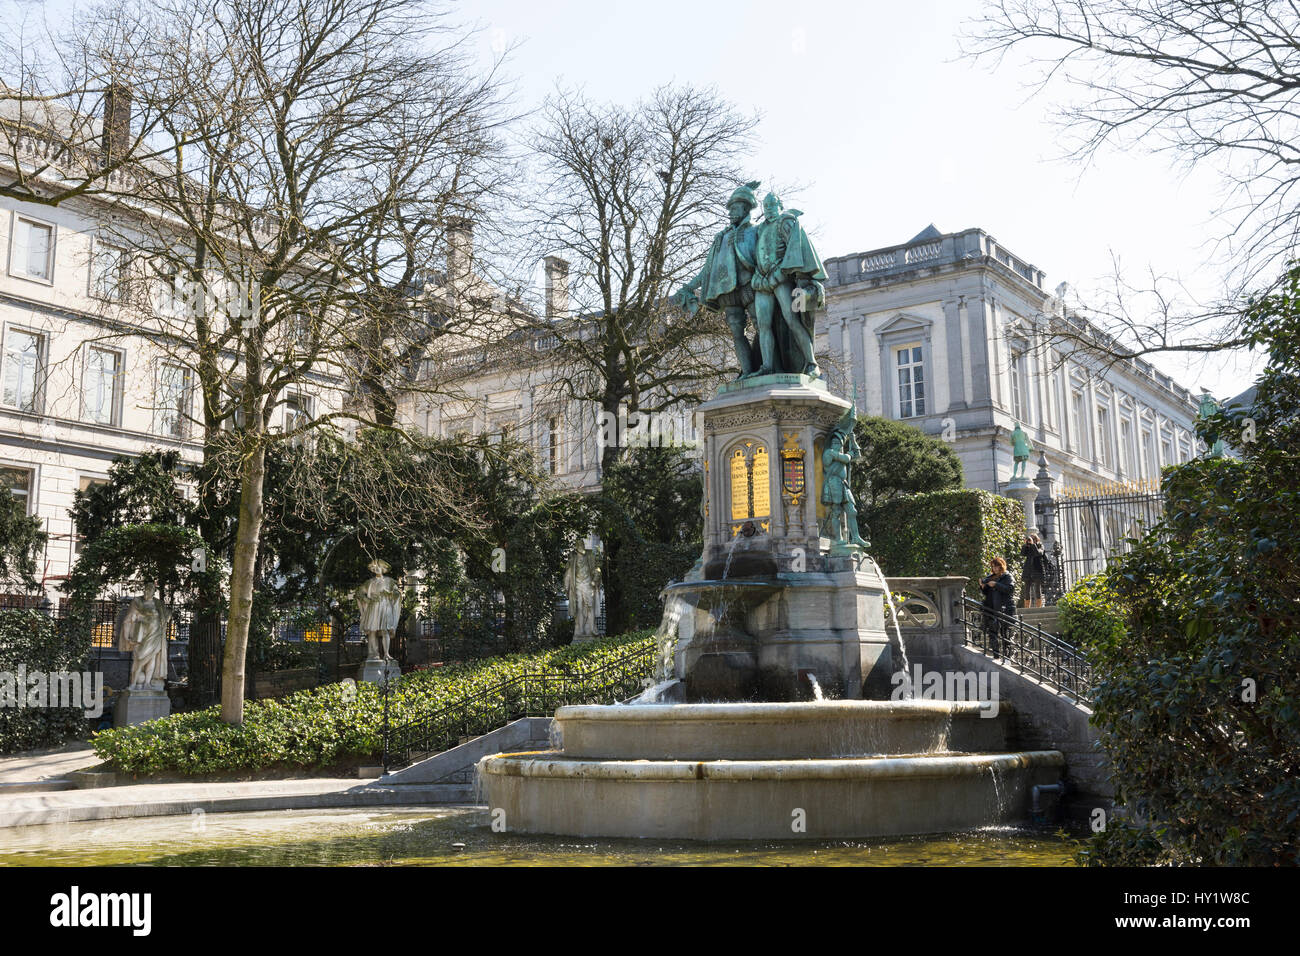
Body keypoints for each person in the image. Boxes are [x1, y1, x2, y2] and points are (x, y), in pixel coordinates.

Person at [979, 557, 1016, 658]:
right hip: (991, 609)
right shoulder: (990, 577)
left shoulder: (1007, 576)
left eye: (996, 566)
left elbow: (1010, 589)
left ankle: (1008, 657)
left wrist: (996, 584)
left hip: (1005, 608)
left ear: (1001, 566)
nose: (994, 569)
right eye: (993, 567)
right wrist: (983, 587)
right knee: (992, 633)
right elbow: (987, 593)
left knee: (1006, 634)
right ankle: (996, 655)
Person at [1020, 533, 1046, 608]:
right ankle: (1027, 607)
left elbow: (1038, 553)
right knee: (1026, 590)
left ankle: (1039, 607)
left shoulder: (1040, 545)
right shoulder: (1028, 547)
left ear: (1036, 539)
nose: (1031, 540)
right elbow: (1022, 554)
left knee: (1037, 589)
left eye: (1033, 539)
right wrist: (1025, 545)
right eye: (1030, 539)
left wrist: (1033, 544)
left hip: (1037, 569)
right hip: (1028, 570)